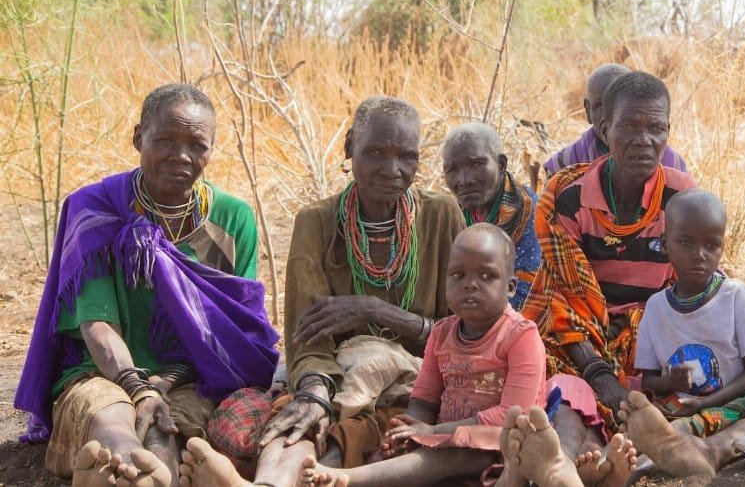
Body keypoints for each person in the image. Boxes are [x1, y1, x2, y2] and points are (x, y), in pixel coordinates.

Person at [183, 96, 464, 487]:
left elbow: (459, 334)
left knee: (348, 426)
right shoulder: (316, 221)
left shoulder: (441, 215)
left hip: (413, 380)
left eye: (407, 157)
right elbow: (307, 335)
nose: (392, 169)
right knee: (299, 419)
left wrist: (374, 310)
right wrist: (314, 392)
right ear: (350, 147)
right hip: (330, 372)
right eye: (376, 152)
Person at [14, 83, 278, 487]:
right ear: (139, 137)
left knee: (164, 436)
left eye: (197, 144)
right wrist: (139, 388)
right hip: (101, 373)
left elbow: (228, 329)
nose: (181, 156)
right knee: (112, 423)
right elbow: (97, 325)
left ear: (212, 148)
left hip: (191, 377)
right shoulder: (97, 209)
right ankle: (118, 466)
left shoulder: (231, 219)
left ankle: (123, 475)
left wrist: (165, 383)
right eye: (165, 140)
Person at [522, 70, 697, 480]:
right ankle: (571, 457)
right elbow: (562, 296)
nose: (644, 140)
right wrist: (600, 373)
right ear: (602, 127)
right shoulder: (565, 196)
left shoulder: (680, 196)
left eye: (656, 128)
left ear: (668, 131)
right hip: (575, 335)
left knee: (685, 380)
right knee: (555, 375)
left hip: (646, 328)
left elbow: (689, 282)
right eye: (628, 126)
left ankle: (591, 458)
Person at [297, 224, 546, 486]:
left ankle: (347, 479)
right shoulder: (441, 333)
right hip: (440, 439)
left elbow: (512, 414)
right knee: (389, 453)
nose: (470, 285)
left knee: (455, 455)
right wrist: (410, 431)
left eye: (486, 276)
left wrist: (433, 432)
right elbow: (424, 399)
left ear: (511, 287)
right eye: (458, 275)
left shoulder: (521, 336)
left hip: (502, 446)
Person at [623, 189, 745, 478]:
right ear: (665, 244)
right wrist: (668, 381)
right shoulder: (656, 308)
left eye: (712, 245)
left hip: (734, 402)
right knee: (655, 421)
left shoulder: (736, 296)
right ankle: (638, 459)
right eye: (686, 243)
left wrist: (707, 402)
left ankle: (668, 459)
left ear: (723, 247)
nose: (699, 255)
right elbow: (649, 380)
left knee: (730, 427)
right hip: (680, 404)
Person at [442, 122, 543, 311]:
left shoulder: (530, 212)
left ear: (501, 164)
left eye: (476, 164)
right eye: (452, 170)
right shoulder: (452, 213)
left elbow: (527, 292)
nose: (465, 180)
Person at [543, 63, 688, 178]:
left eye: (617, 107)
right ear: (588, 110)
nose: (607, 114)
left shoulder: (671, 164)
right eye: (600, 106)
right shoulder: (567, 162)